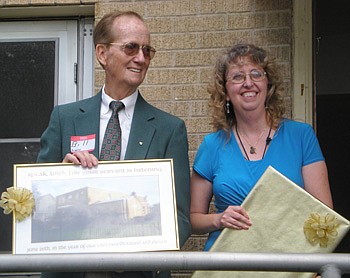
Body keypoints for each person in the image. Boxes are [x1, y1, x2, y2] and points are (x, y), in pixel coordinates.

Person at [37, 11, 191, 278]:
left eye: (147, 50)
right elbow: (36, 200)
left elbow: (181, 219)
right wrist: (58, 176)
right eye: (131, 47)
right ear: (102, 54)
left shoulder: (170, 129)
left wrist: (136, 252)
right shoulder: (65, 118)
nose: (141, 58)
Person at [190, 43, 333, 252]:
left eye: (256, 74)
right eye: (238, 77)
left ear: (268, 85)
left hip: (288, 266)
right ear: (226, 92)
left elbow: (325, 218)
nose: (248, 83)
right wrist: (219, 219)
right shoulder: (212, 145)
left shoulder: (301, 136)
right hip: (227, 267)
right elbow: (193, 219)